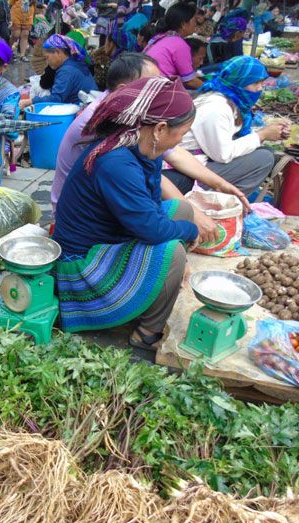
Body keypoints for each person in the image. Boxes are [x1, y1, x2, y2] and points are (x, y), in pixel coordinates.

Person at [52, 76, 202, 352]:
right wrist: (191, 232)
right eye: (183, 132)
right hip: (83, 265)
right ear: (159, 128)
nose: (182, 139)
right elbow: (152, 229)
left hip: (112, 237)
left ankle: (154, 291)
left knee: (182, 209)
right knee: (173, 252)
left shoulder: (144, 148)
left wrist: (181, 226)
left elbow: (152, 204)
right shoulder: (116, 162)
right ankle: (147, 331)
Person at [52, 52, 248, 217]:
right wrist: (193, 214)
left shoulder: (132, 112)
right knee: (166, 202)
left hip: (104, 190)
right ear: (124, 90)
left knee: (180, 181)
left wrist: (220, 184)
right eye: (151, 85)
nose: (159, 90)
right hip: (79, 210)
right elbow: (139, 173)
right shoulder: (100, 122)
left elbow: (175, 153)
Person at [164, 56, 288, 197]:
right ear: (239, 82)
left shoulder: (225, 99)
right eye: (255, 84)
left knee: (260, 151)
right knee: (264, 158)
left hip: (196, 161)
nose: (260, 89)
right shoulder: (217, 107)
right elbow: (223, 154)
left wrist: (266, 133)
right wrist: (262, 135)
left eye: (262, 83)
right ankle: (230, 202)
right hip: (184, 170)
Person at [19, 34, 97, 107]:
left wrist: (30, 101)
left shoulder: (66, 71)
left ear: (57, 52)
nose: (47, 62)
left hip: (80, 109)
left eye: (47, 57)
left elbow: (56, 99)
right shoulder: (75, 63)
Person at [142, 2, 202, 88]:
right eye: (194, 20)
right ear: (183, 24)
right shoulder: (179, 44)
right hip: (155, 89)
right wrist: (216, 89)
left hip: (143, 84)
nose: (196, 24)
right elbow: (190, 80)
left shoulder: (160, 37)